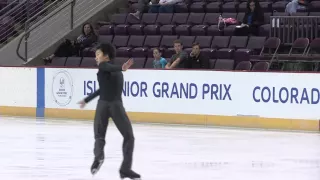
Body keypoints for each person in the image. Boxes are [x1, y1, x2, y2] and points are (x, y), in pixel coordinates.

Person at [78, 43, 141, 180]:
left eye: (98, 55)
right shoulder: (113, 69)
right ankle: (125, 169)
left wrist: (121, 68)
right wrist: (87, 99)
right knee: (129, 137)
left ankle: (99, 158)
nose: (96, 58)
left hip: (103, 106)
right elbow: (102, 88)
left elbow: (106, 68)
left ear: (106, 56)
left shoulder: (105, 66)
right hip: (115, 106)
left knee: (99, 136)